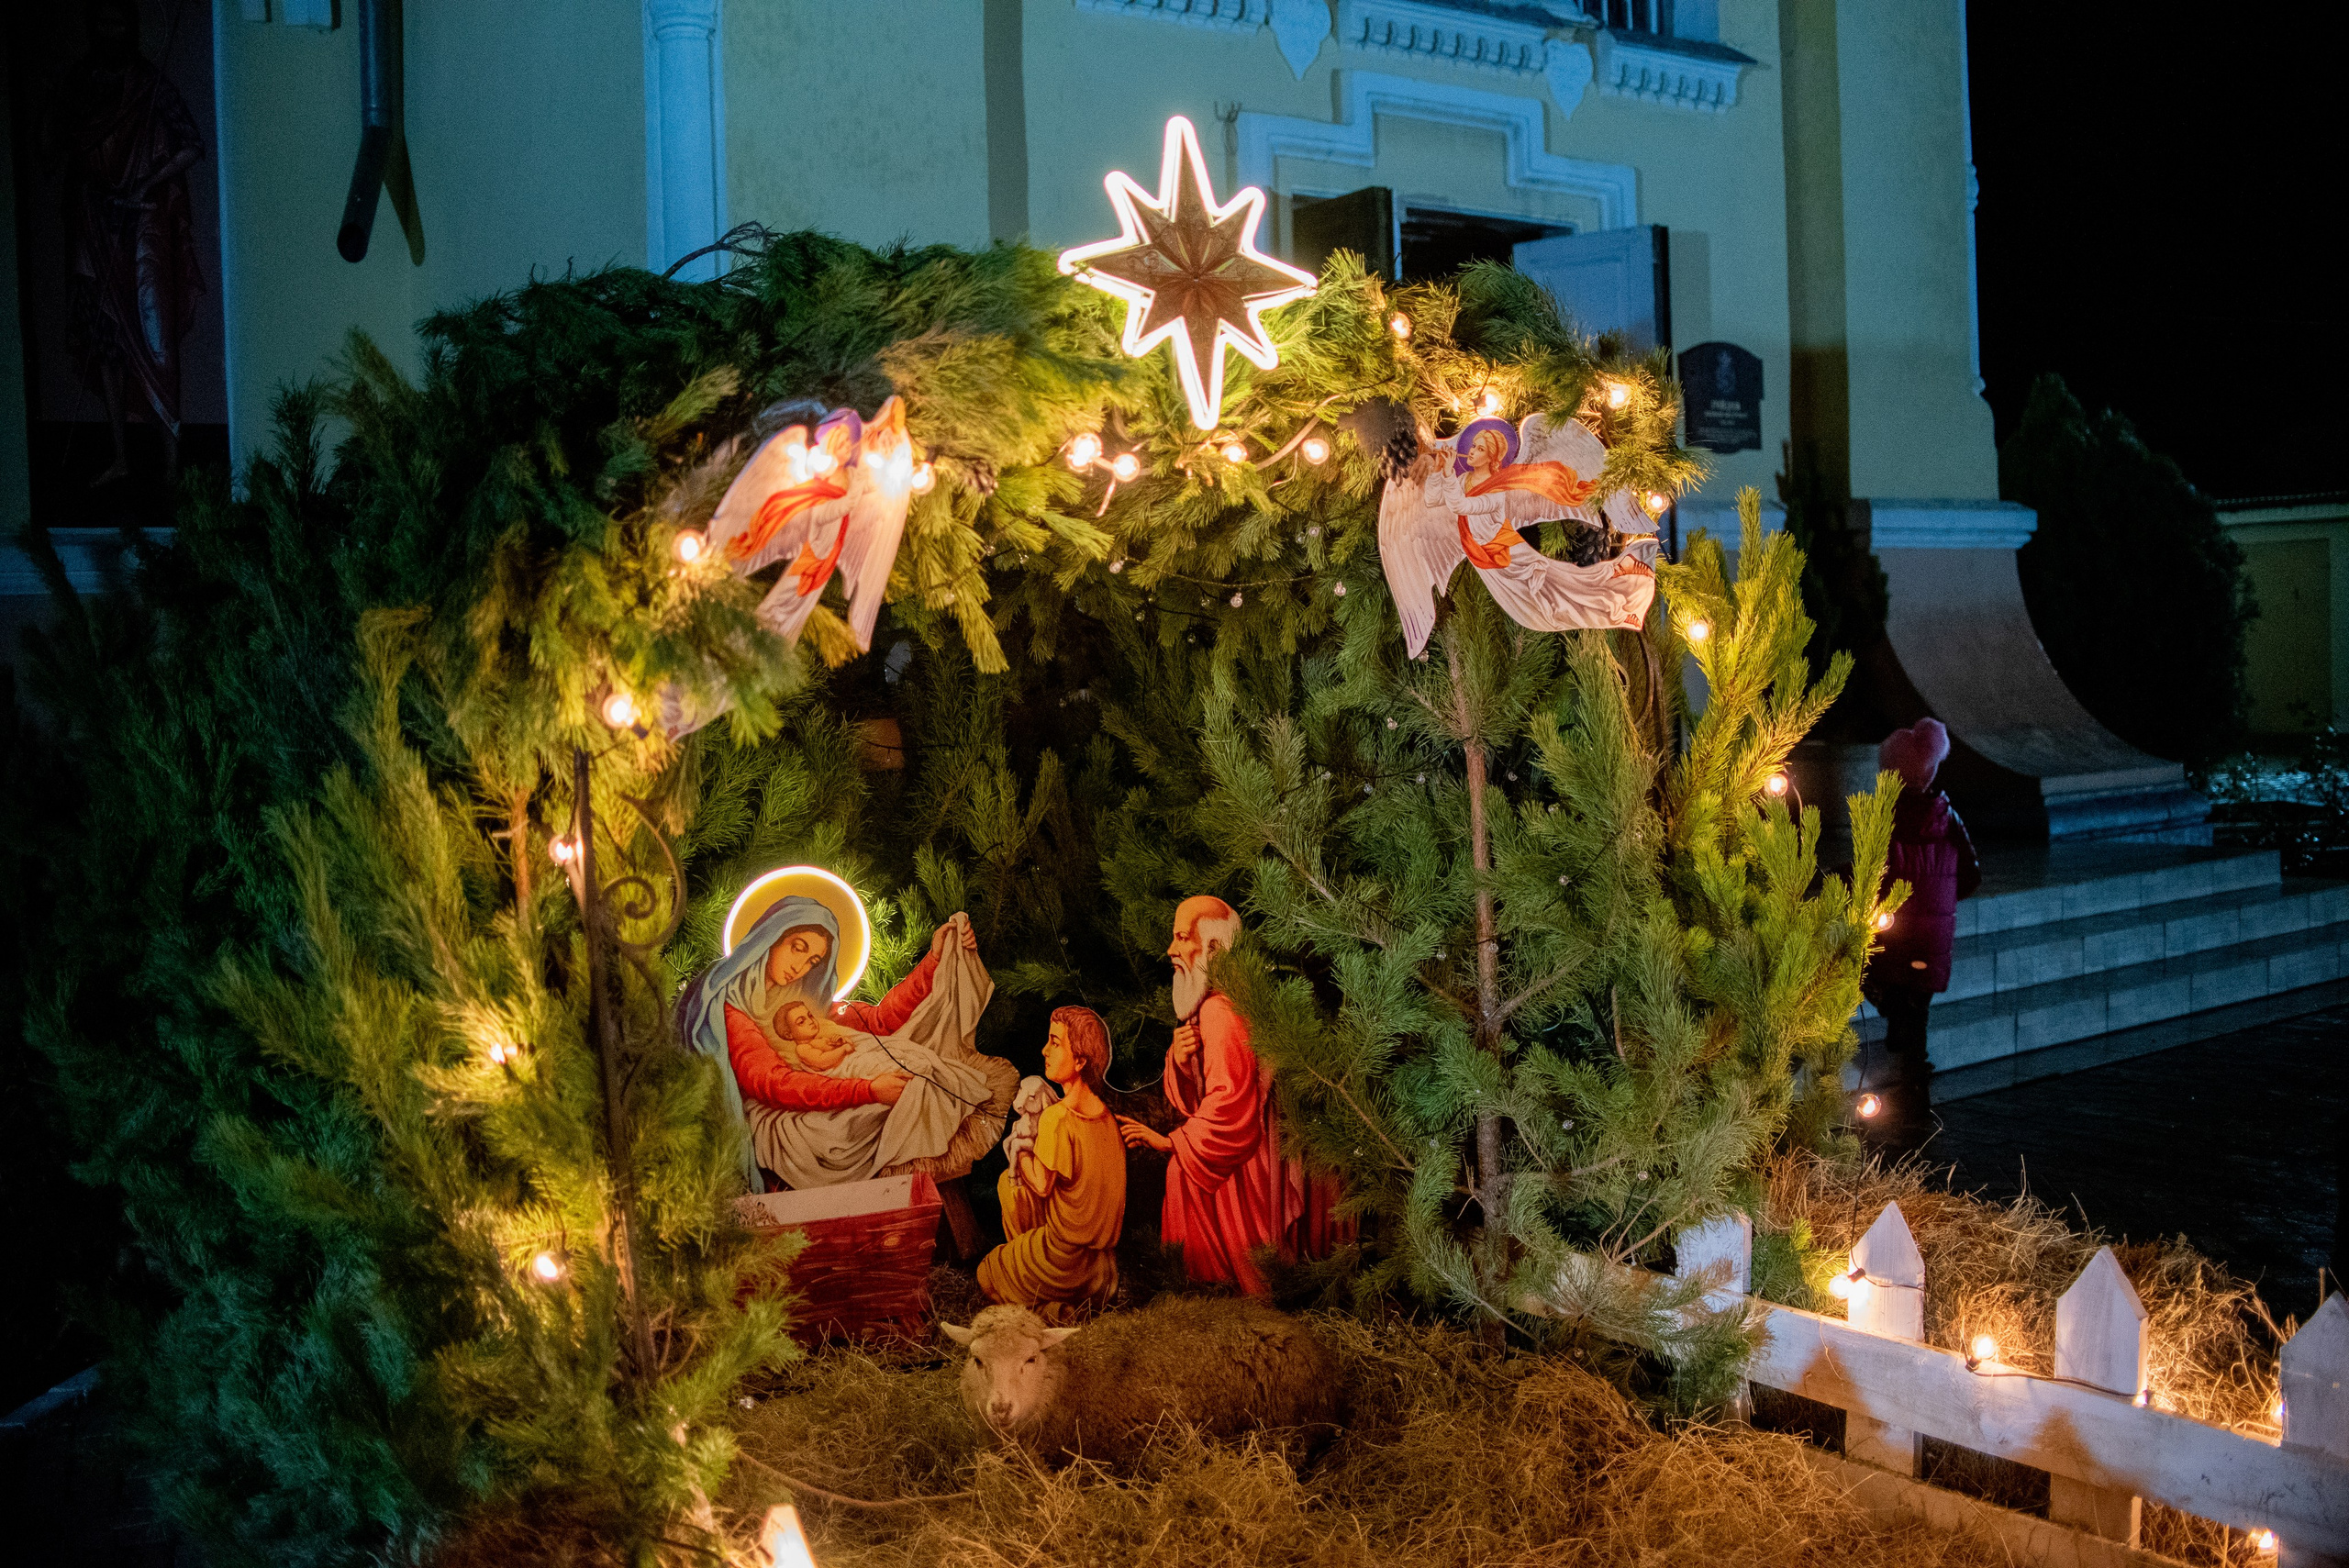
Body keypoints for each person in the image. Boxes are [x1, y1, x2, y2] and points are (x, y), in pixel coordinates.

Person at [1116, 895, 1346, 1294]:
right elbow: (1216, 1087)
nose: (1171, 950)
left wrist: (1169, 1142)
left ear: (1214, 948)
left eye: (1181, 938)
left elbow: (1229, 1106)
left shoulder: (1219, 1011)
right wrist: (1183, 1059)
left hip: (1246, 1156)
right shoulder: (1229, 1003)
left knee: (1181, 1176)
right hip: (1250, 1145)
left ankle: (1221, 1289)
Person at [681, 898, 976, 1190]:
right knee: (880, 1115)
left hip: (818, 1091)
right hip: (781, 1110)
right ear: (770, 939)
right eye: (798, 948)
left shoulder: (799, 998)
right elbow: (773, 1084)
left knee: (917, 1074)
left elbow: (877, 1022)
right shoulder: (732, 1010)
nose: (800, 967)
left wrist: (935, 959)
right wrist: (868, 1090)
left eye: (813, 961)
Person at [1865, 719, 1981, 1156]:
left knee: (1880, 982)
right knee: (1919, 1017)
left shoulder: (1883, 818)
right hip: (1932, 939)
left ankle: (1900, 1036)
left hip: (1892, 933)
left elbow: (1869, 873)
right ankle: (1917, 1098)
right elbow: (1972, 874)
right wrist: (1942, 900)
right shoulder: (1947, 816)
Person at [977, 1006, 1127, 1323]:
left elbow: (1042, 1184)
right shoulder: (1105, 1117)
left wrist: (1023, 1152)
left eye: (1055, 1043)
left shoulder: (1057, 1118)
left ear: (1080, 1060)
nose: (1044, 1050)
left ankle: (1049, 1305)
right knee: (1009, 1185)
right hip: (1101, 1262)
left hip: (1064, 1258)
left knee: (986, 1273)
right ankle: (1059, 1296)